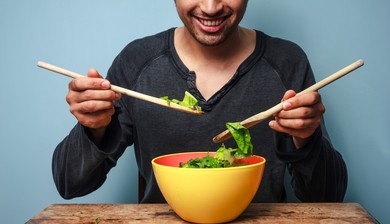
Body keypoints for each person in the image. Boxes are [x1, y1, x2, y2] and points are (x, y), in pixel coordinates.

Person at [52, 0, 347, 203]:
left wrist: (306, 140)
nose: (210, 7)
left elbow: (328, 198)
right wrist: (94, 128)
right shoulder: (137, 62)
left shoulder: (287, 62)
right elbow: (70, 184)